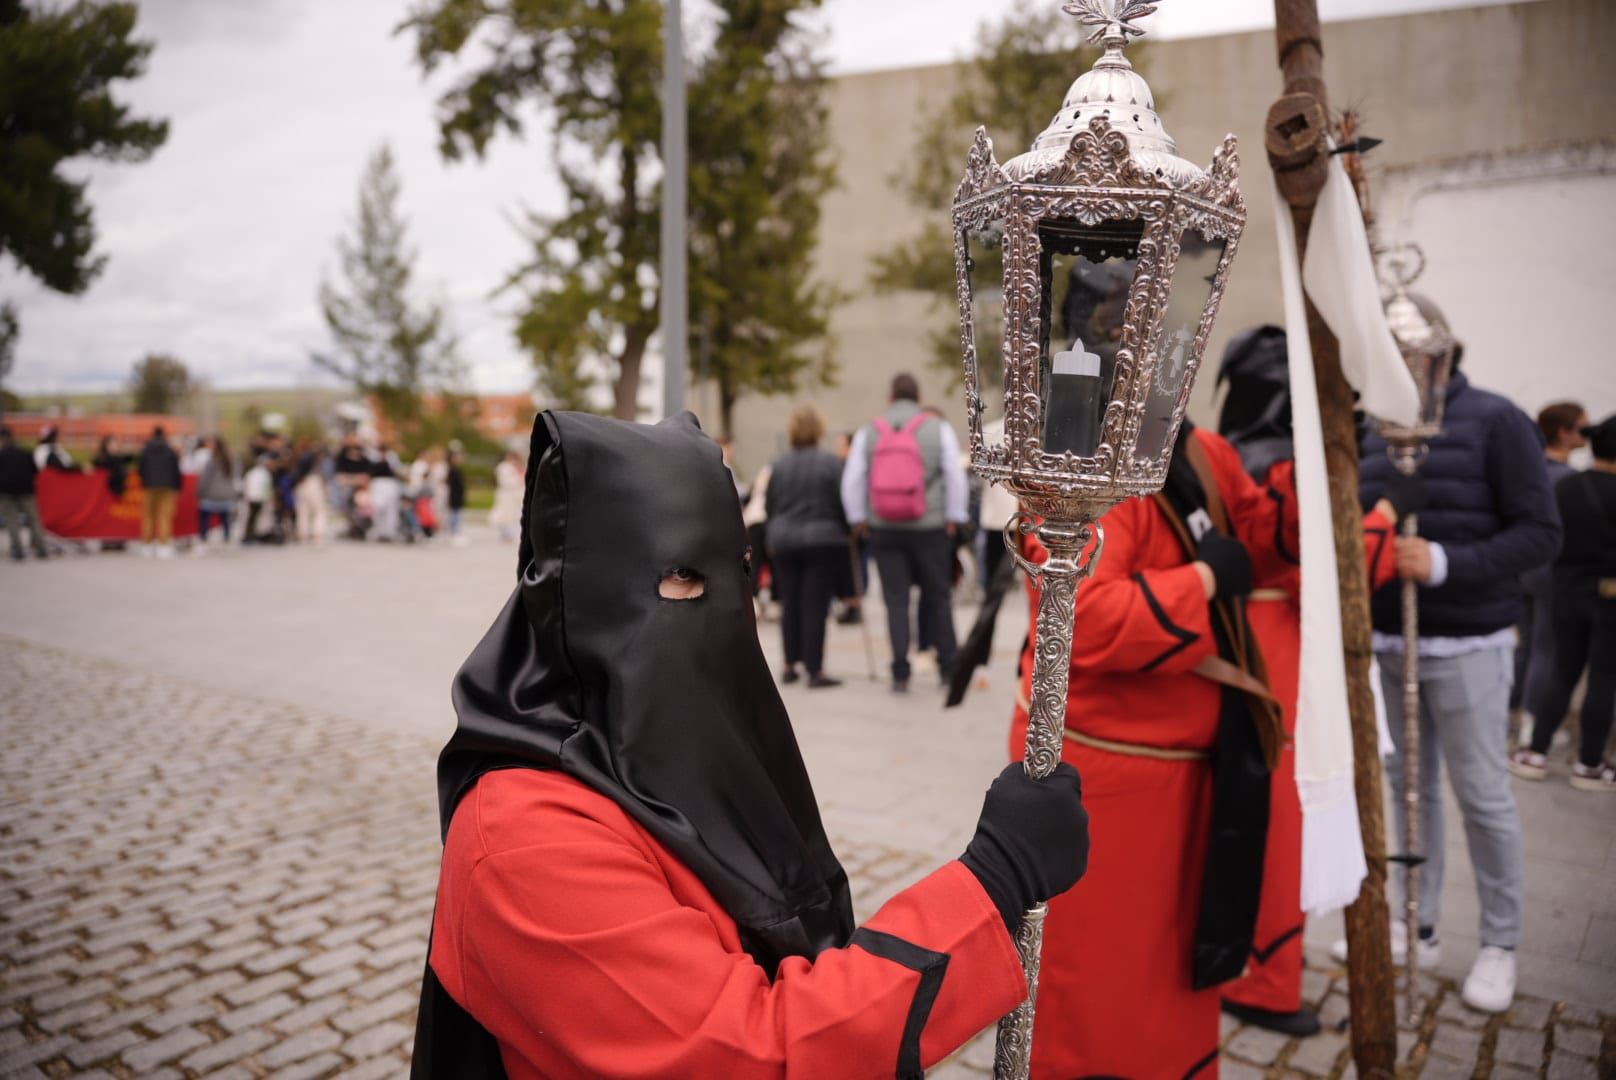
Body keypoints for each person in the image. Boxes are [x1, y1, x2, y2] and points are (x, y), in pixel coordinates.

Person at [411, 410, 1091, 1078]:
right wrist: (990, 883)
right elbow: (750, 1053)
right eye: (683, 578)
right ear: (588, 594)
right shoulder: (523, 835)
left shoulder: (666, 747)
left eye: (737, 570)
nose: (723, 607)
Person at [1005, 420, 1299, 1078]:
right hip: (1105, 777)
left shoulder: (1200, 446)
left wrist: (1306, 463)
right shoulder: (1077, 451)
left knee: (1169, 970)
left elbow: (1260, 536)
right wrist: (1201, 581)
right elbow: (1081, 610)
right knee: (1101, 982)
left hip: (1190, 768)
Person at [1212, 326, 1416, 1035]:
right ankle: (1264, 980)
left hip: (1252, 649)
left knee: (1264, 817)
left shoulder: (1228, 457)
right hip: (1279, 653)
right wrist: (1383, 526)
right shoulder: (1274, 470)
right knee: (1280, 822)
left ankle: (1258, 968)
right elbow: (1322, 575)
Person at [1355, 336, 1562, 1014]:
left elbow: (1540, 533)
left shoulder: (1498, 420)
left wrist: (1443, 562)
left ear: (1444, 360)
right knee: (1408, 793)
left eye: (1412, 358)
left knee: (1482, 796)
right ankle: (1417, 921)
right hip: (1386, 639)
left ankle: (1500, 944)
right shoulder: (1366, 424)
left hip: (1470, 641)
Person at [842, 373, 969, 693]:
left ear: (890, 398)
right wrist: (954, 516)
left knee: (895, 601)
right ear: (918, 397)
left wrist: (859, 518)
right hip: (930, 527)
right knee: (937, 596)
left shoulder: (869, 431)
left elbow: (853, 478)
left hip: (884, 527)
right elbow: (954, 474)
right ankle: (948, 667)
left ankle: (900, 671)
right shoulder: (936, 428)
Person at [1510, 414, 1616, 791]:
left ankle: (1535, 751)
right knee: (1603, 677)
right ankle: (1589, 763)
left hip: (1566, 590)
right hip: (1608, 597)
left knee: (1561, 668)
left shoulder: (1569, 486)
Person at [1510, 401, 1586, 742]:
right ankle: (1532, 721)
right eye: (1583, 428)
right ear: (1564, 432)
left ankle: (1510, 713)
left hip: (1524, 566)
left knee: (1527, 645)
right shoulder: (1568, 480)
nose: (1589, 434)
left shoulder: (1529, 470)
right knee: (1544, 647)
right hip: (1550, 571)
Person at [764, 404, 848, 689]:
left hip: (784, 539)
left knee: (790, 602)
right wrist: (848, 531)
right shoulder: (832, 464)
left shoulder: (779, 464)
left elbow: (770, 504)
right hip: (822, 539)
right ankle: (815, 669)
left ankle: (789, 664)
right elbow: (841, 504)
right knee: (815, 605)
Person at [0, 426, 50, 562]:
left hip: (7, 492)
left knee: (12, 521)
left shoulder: (2, 454)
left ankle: (17, 550)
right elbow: (35, 470)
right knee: (34, 519)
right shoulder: (26, 452)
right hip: (27, 491)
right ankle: (41, 549)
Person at [137, 426, 182, 558]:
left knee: (148, 516)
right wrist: (178, 487)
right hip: (167, 487)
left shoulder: (146, 450)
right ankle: (164, 546)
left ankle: (147, 545)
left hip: (149, 486)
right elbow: (175, 470)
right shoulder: (169, 451)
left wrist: (145, 481)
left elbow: (141, 468)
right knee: (165, 516)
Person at [196, 437, 238, 546]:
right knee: (225, 517)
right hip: (227, 494)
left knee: (205, 517)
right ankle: (226, 536)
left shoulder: (212, 461)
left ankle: (204, 536)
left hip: (212, 493)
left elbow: (205, 479)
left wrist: (200, 492)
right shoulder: (231, 460)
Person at [487, 450, 524, 543]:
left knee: (513, 516)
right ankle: (506, 535)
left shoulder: (515, 466)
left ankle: (511, 535)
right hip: (506, 494)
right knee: (504, 515)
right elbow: (506, 481)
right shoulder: (503, 467)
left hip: (514, 495)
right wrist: (518, 479)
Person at [92, 435, 132, 499]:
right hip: (109, 491)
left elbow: (129, 458)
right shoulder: (103, 458)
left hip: (121, 488)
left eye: (116, 443)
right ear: (106, 445)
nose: (116, 445)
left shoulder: (119, 458)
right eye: (113, 443)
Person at [446, 448, 468, 547]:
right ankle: (454, 534)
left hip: (457, 496)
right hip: (454, 496)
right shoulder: (452, 470)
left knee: (457, 515)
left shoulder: (456, 470)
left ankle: (455, 533)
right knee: (455, 516)